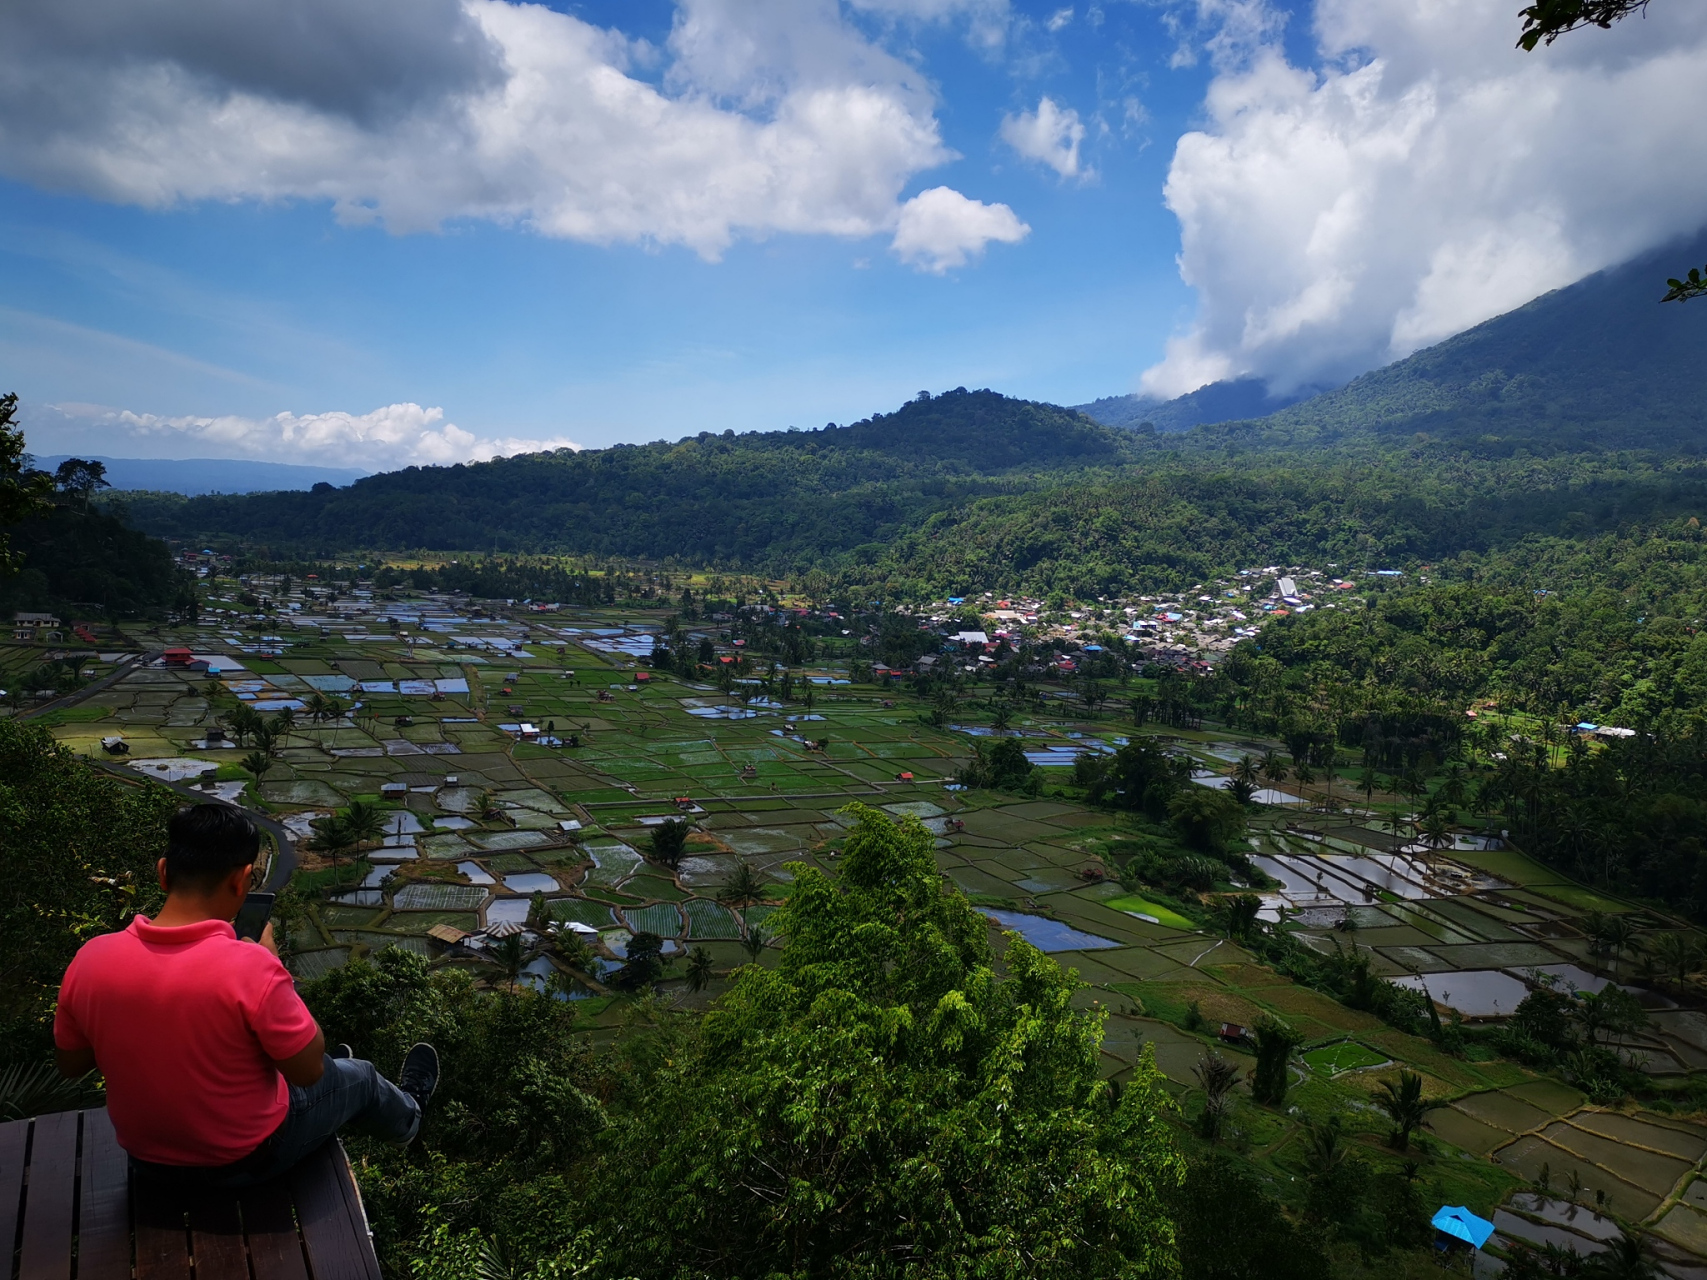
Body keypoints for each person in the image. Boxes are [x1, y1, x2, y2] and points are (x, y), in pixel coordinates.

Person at [54, 803, 439, 1187]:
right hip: (247, 1160)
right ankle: (409, 1117)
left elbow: (72, 1064)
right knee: (363, 1077)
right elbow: (308, 1072)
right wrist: (271, 964)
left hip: (146, 1161)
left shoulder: (91, 959)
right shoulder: (251, 967)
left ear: (162, 872)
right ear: (243, 880)